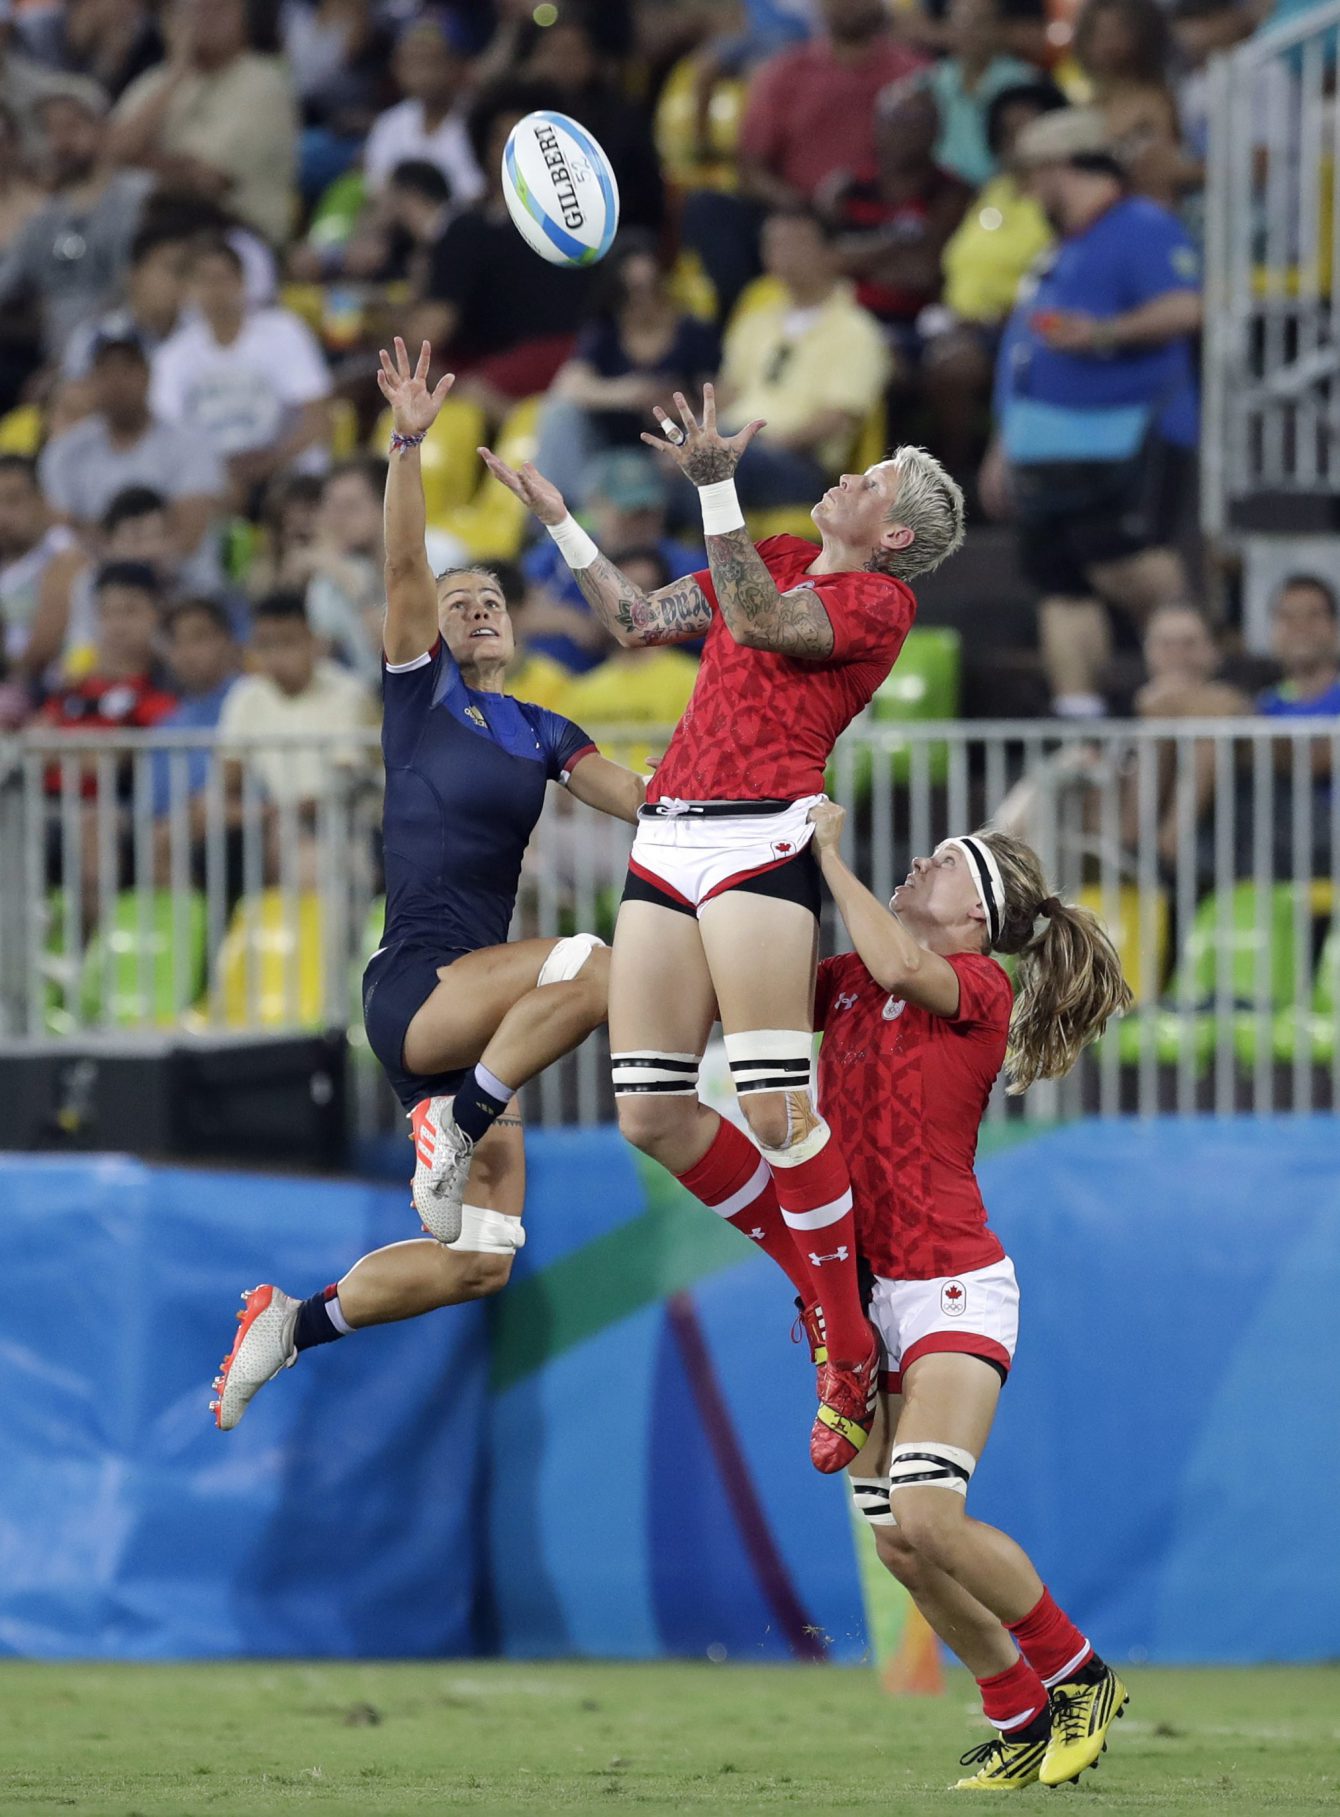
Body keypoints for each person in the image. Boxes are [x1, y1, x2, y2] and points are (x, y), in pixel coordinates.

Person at [480, 382, 965, 1473]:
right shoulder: (781, 552)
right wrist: (561, 520)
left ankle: (845, 1342)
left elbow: (756, 622)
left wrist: (715, 489)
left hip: (759, 836)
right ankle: (828, 1295)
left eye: (871, 479)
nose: (847, 474)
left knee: (773, 1105)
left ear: (892, 534)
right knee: (650, 1114)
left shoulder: (880, 603)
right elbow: (637, 621)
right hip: (667, 833)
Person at [211, 337, 646, 1432]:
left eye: (492, 597)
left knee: (482, 1256)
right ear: (434, 633)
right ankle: (456, 1121)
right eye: (460, 602)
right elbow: (404, 565)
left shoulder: (544, 728)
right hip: (418, 987)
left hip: (480, 1022)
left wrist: (752, 803)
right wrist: (407, 446)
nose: (478, 607)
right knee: (595, 964)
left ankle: (291, 1323)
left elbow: (646, 803)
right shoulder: (421, 699)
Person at [805, 801, 1132, 1791]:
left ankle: (1078, 1674)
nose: (918, 860)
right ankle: (1016, 1710)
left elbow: (902, 963)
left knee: (929, 1513)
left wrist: (825, 852)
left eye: (944, 859)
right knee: (899, 1543)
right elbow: (757, 988)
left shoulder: (977, 983)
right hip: (864, 1298)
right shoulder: (852, 980)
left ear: (977, 917)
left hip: (950, 1282)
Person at [982, 108, 1201, 716]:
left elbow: (1185, 308)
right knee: (1060, 582)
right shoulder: (1060, 247)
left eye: (1034, 173)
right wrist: (1005, 441)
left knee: (1129, 565)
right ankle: (1078, 723)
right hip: (1042, 444)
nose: (1028, 189)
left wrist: (1103, 333)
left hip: (1127, 435)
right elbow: (1025, 352)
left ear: (1062, 167)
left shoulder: (1142, 226)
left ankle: (1184, 702)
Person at [409, 80, 597, 418]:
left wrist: (380, 327)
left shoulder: (586, 225)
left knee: (417, 374)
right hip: (519, 367)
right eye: (502, 139)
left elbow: (431, 330)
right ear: (483, 147)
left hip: (556, 366)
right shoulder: (468, 226)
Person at [715, 207, 892, 507]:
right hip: (738, 446)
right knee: (664, 457)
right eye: (774, 244)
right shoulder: (754, 322)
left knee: (717, 468)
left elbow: (839, 417)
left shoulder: (857, 330)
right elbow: (728, 393)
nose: (783, 254)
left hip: (800, 462)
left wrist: (768, 444)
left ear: (830, 253)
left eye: (796, 243)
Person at [534, 233, 722, 505]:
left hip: (669, 455)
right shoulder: (604, 333)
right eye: (634, 290)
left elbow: (718, 398)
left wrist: (678, 411)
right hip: (608, 455)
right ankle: (563, 510)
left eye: (651, 287)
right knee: (559, 413)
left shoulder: (692, 332)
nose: (643, 301)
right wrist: (630, 394)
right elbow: (568, 387)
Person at [150, 236, 334, 510]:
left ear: (242, 282)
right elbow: (166, 434)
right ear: (188, 289)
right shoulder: (173, 356)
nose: (215, 290)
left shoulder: (283, 331)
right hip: (215, 479)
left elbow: (318, 418)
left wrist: (268, 463)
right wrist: (218, 473)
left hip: (284, 468)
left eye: (222, 279)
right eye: (204, 280)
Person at [110, 0, 298, 247]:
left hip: (239, 235)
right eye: (191, 10)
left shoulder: (265, 82)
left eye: (216, 8)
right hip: (159, 232)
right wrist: (177, 72)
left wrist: (136, 160)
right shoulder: (156, 81)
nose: (203, 18)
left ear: (243, 17)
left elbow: (207, 179)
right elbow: (108, 155)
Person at [39, 331, 225, 579]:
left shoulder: (190, 443)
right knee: (64, 566)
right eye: (105, 371)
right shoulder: (65, 453)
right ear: (89, 380)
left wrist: (116, 550)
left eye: (128, 368)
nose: (117, 382)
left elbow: (189, 537)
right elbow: (61, 531)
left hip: (181, 583)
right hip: (100, 582)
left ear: (148, 374)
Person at [0, 81, 152, 360]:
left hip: (130, 351)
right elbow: (8, 280)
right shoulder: (45, 217)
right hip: (59, 358)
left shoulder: (141, 196)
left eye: (71, 127)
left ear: (102, 128)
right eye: (49, 130)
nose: (60, 142)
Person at [520, 450, 705, 676]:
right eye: (629, 511)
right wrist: (568, 620)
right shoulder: (557, 555)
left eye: (649, 511)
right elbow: (513, 611)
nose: (640, 522)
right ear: (597, 506)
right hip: (556, 683)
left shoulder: (684, 563)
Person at [822, 83, 972, 352]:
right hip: (844, 319)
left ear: (937, 129)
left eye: (916, 120)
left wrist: (857, 259)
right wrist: (897, 241)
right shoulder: (845, 189)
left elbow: (924, 274)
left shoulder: (952, 193)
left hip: (916, 326)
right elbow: (825, 261)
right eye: (894, 117)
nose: (903, 129)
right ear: (876, 125)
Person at [1071, 0, 1183, 206]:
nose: (1107, 45)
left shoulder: (1155, 101)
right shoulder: (1088, 106)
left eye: (1116, 32)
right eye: (1098, 34)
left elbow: (1165, 168)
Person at [361, 17, 483, 204]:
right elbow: (377, 189)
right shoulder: (389, 124)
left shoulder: (476, 124)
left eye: (430, 62)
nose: (421, 74)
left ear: (456, 65)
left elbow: (474, 194)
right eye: (412, 62)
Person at [922, 0, 1037, 190]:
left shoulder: (1022, 83)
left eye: (981, 23)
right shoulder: (933, 81)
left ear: (1000, 28)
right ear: (947, 29)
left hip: (1000, 189)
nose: (971, 32)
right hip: (942, 191)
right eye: (961, 22)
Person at [60, 222, 193, 378]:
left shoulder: (202, 334)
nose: (179, 282)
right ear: (134, 274)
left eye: (185, 272)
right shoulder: (95, 338)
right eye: (170, 270)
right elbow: (77, 389)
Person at [0, 453, 82, 677]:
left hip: (44, 683)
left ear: (41, 501)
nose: (3, 514)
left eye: (13, 500)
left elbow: (42, 649)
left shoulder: (64, 553)